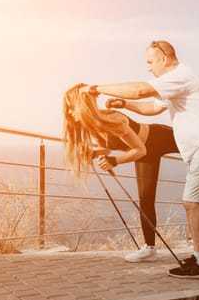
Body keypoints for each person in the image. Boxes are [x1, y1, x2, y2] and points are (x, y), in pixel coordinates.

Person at [79, 40, 199, 279]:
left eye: (150, 62)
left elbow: (141, 89)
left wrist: (96, 89)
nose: (149, 68)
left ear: (164, 58)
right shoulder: (179, 81)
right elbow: (151, 108)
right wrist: (125, 103)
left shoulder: (182, 75)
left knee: (191, 202)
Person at [63, 83, 180, 262]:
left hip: (160, 137)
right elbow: (107, 148)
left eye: (72, 107)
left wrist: (115, 161)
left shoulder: (112, 118)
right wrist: (95, 153)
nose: (70, 113)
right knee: (146, 199)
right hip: (145, 152)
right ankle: (149, 248)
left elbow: (139, 150)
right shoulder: (93, 126)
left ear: (82, 105)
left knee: (197, 143)